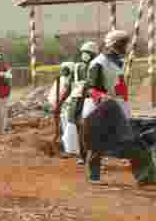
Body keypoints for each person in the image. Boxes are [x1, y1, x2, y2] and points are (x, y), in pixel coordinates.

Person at [81, 30, 134, 184]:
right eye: (122, 44)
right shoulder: (98, 63)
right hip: (101, 109)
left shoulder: (119, 62)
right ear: (112, 45)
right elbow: (90, 89)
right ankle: (94, 176)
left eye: (125, 44)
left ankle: (146, 175)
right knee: (97, 144)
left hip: (120, 106)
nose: (125, 47)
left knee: (132, 141)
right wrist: (104, 99)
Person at [80, 90, 155, 186]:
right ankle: (145, 178)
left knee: (96, 148)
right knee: (142, 150)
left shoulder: (90, 118)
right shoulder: (112, 106)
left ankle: (94, 177)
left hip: (96, 146)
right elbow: (126, 135)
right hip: (116, 146)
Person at [55, 41, 98, 162]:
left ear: (94, 54)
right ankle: (83, 155)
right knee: (80, 129)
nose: (85, 55)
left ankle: (95, 156)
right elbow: (69, 87)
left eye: (88, 53)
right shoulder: (77, 68)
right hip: (77, 101)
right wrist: (60, 102)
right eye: (83, 52)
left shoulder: (96, 67)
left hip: (91, 101)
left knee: (91, 129)